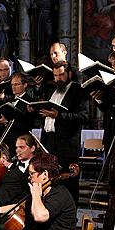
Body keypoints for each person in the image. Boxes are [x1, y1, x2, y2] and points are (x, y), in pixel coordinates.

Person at [37, 60, 88, 202]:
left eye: (61, 75)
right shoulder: (50, 89)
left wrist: (59, 116)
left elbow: (84, 116)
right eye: (55, 75)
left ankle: (70, 216)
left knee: (68, 185)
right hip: (48, 143)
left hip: (67, 146)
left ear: (69, 73)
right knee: (50, 182)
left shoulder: (78, 90)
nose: (58, 78)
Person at [0, 134, 37, 206]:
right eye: (17, 147)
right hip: (5, 202)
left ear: (32, 148)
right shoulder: (12, 165)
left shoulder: (38, 166)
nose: (18, 150)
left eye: (21, 147)